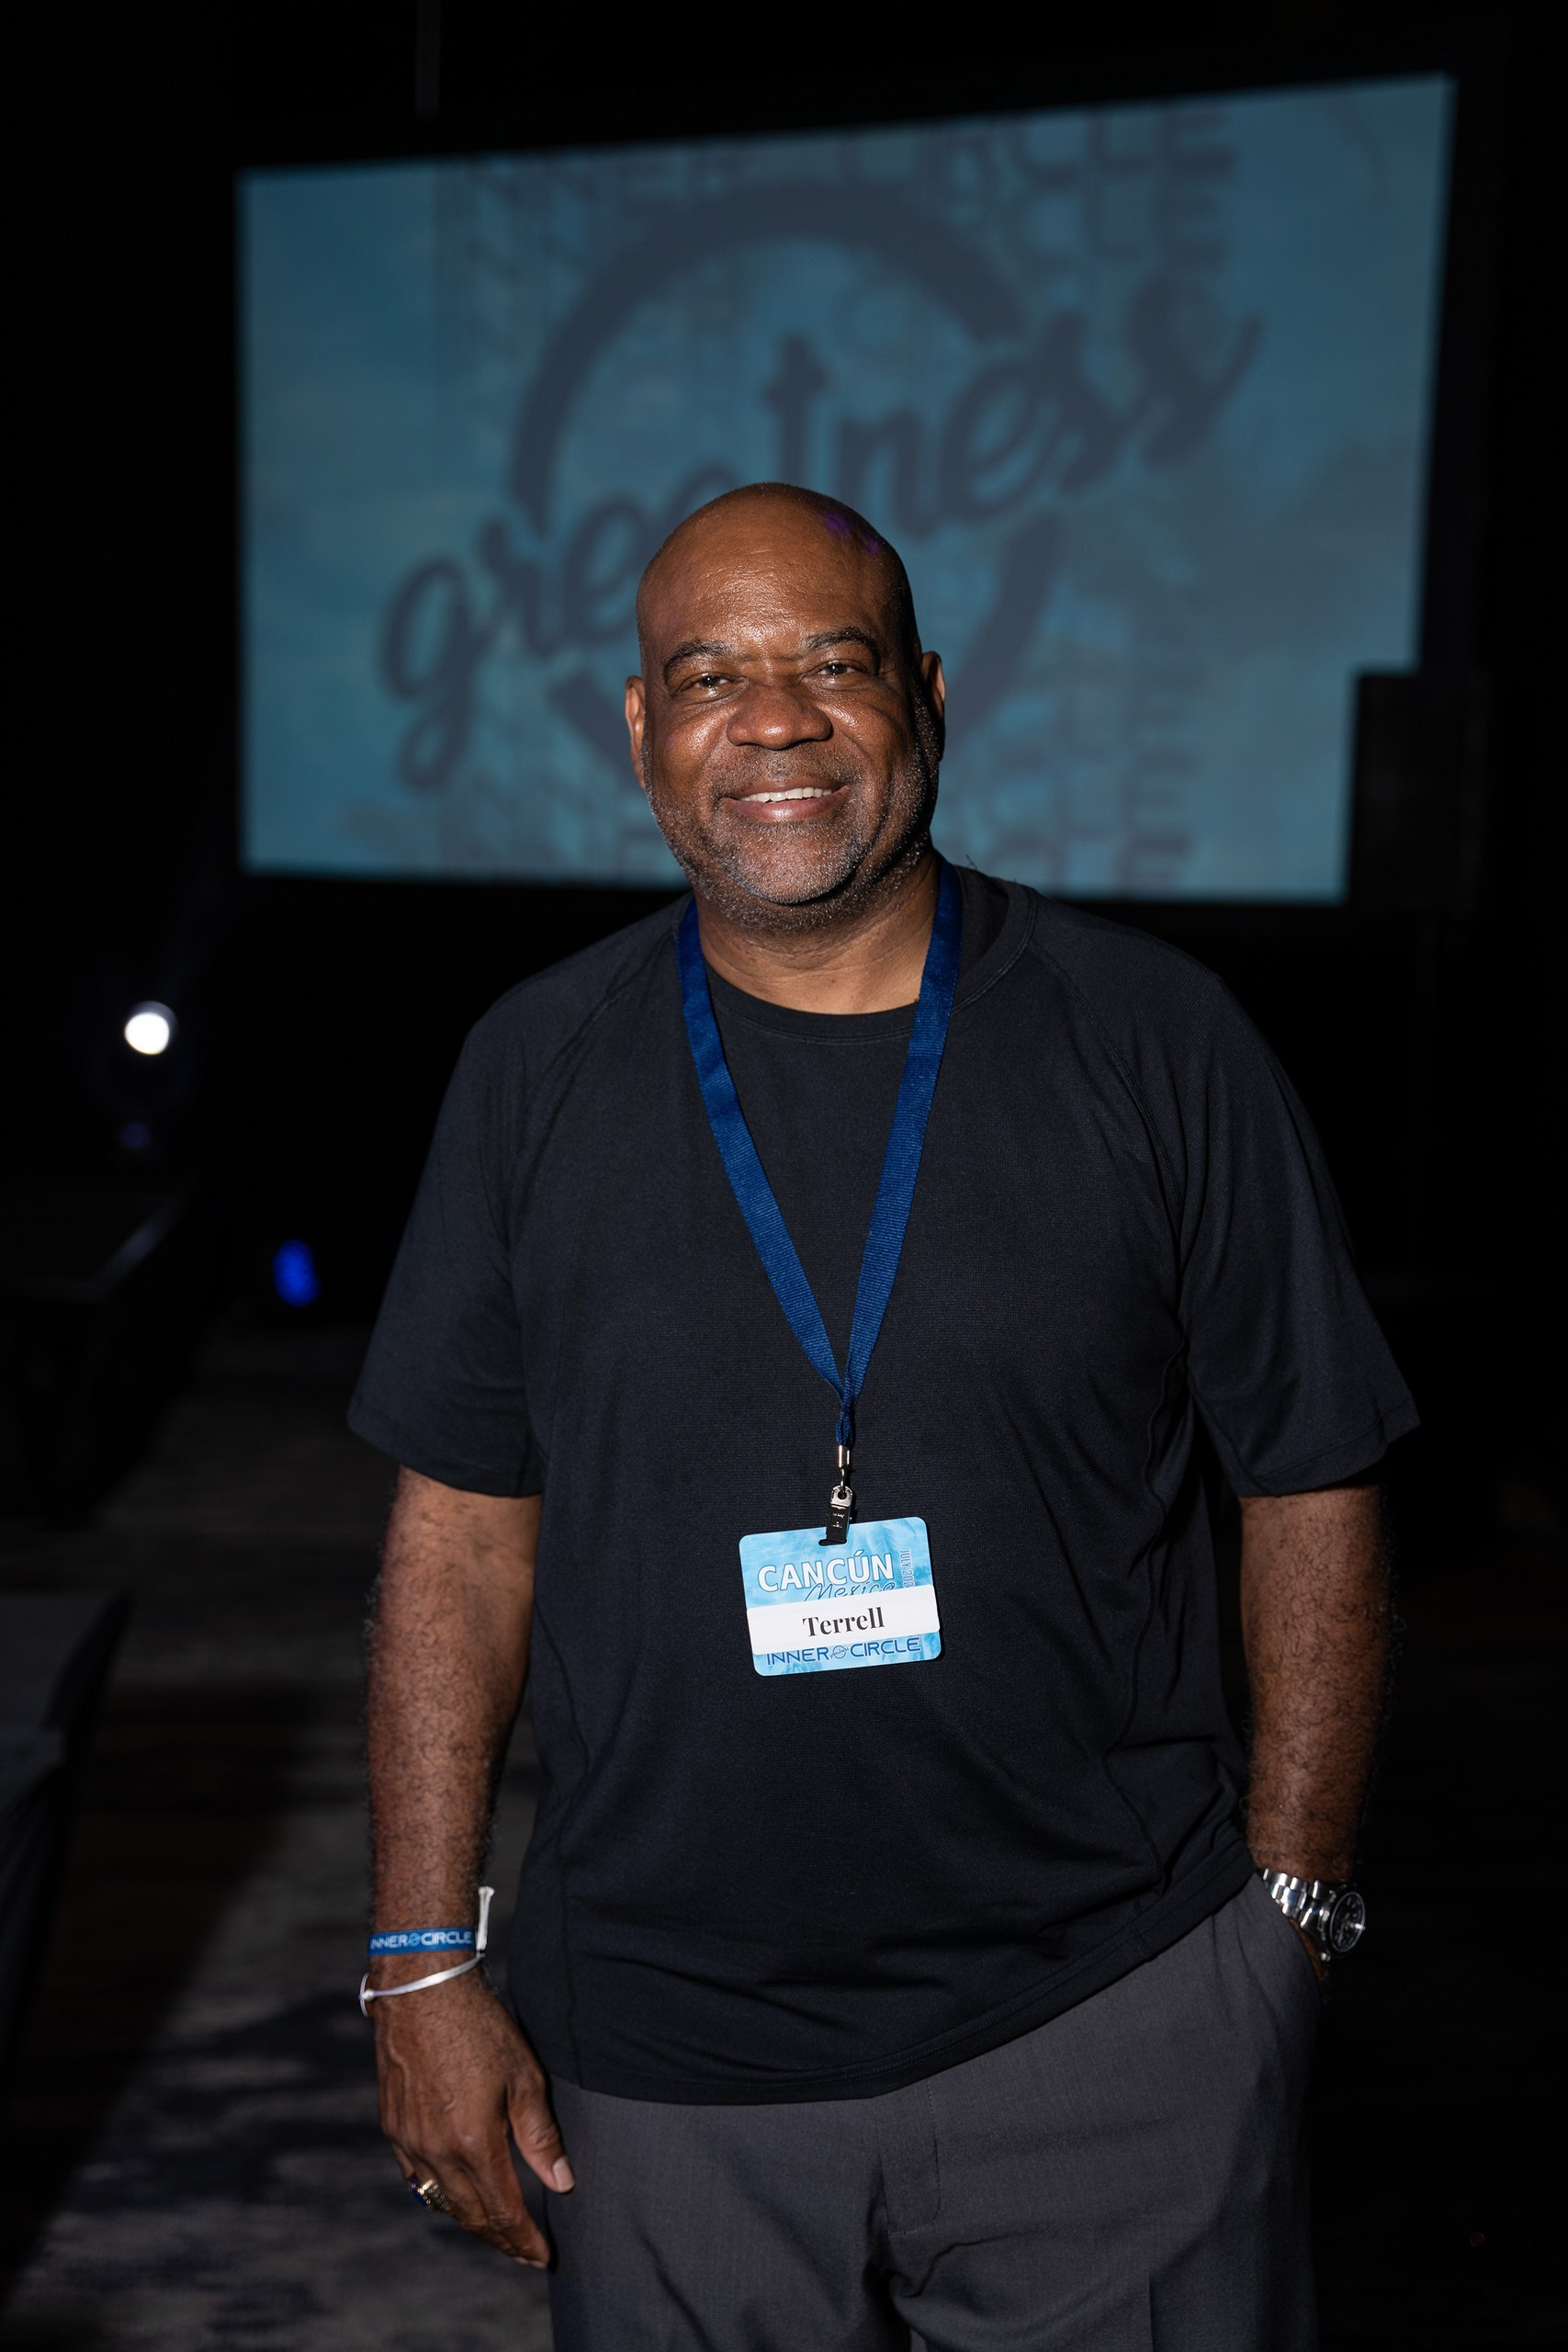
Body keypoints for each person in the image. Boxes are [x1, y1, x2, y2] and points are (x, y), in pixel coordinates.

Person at [350, 482, 1415, 2350]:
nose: (773, 721)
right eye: (710, 678)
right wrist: (420, 1956)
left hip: (1115, 2020)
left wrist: (1291, 1914)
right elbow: (458, 1540)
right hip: (662, 2066)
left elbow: (1310, 1479)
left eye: (830, 665)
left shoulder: (1154, 1040)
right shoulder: (533, 1068)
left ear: (923, 695)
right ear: (640, 726)